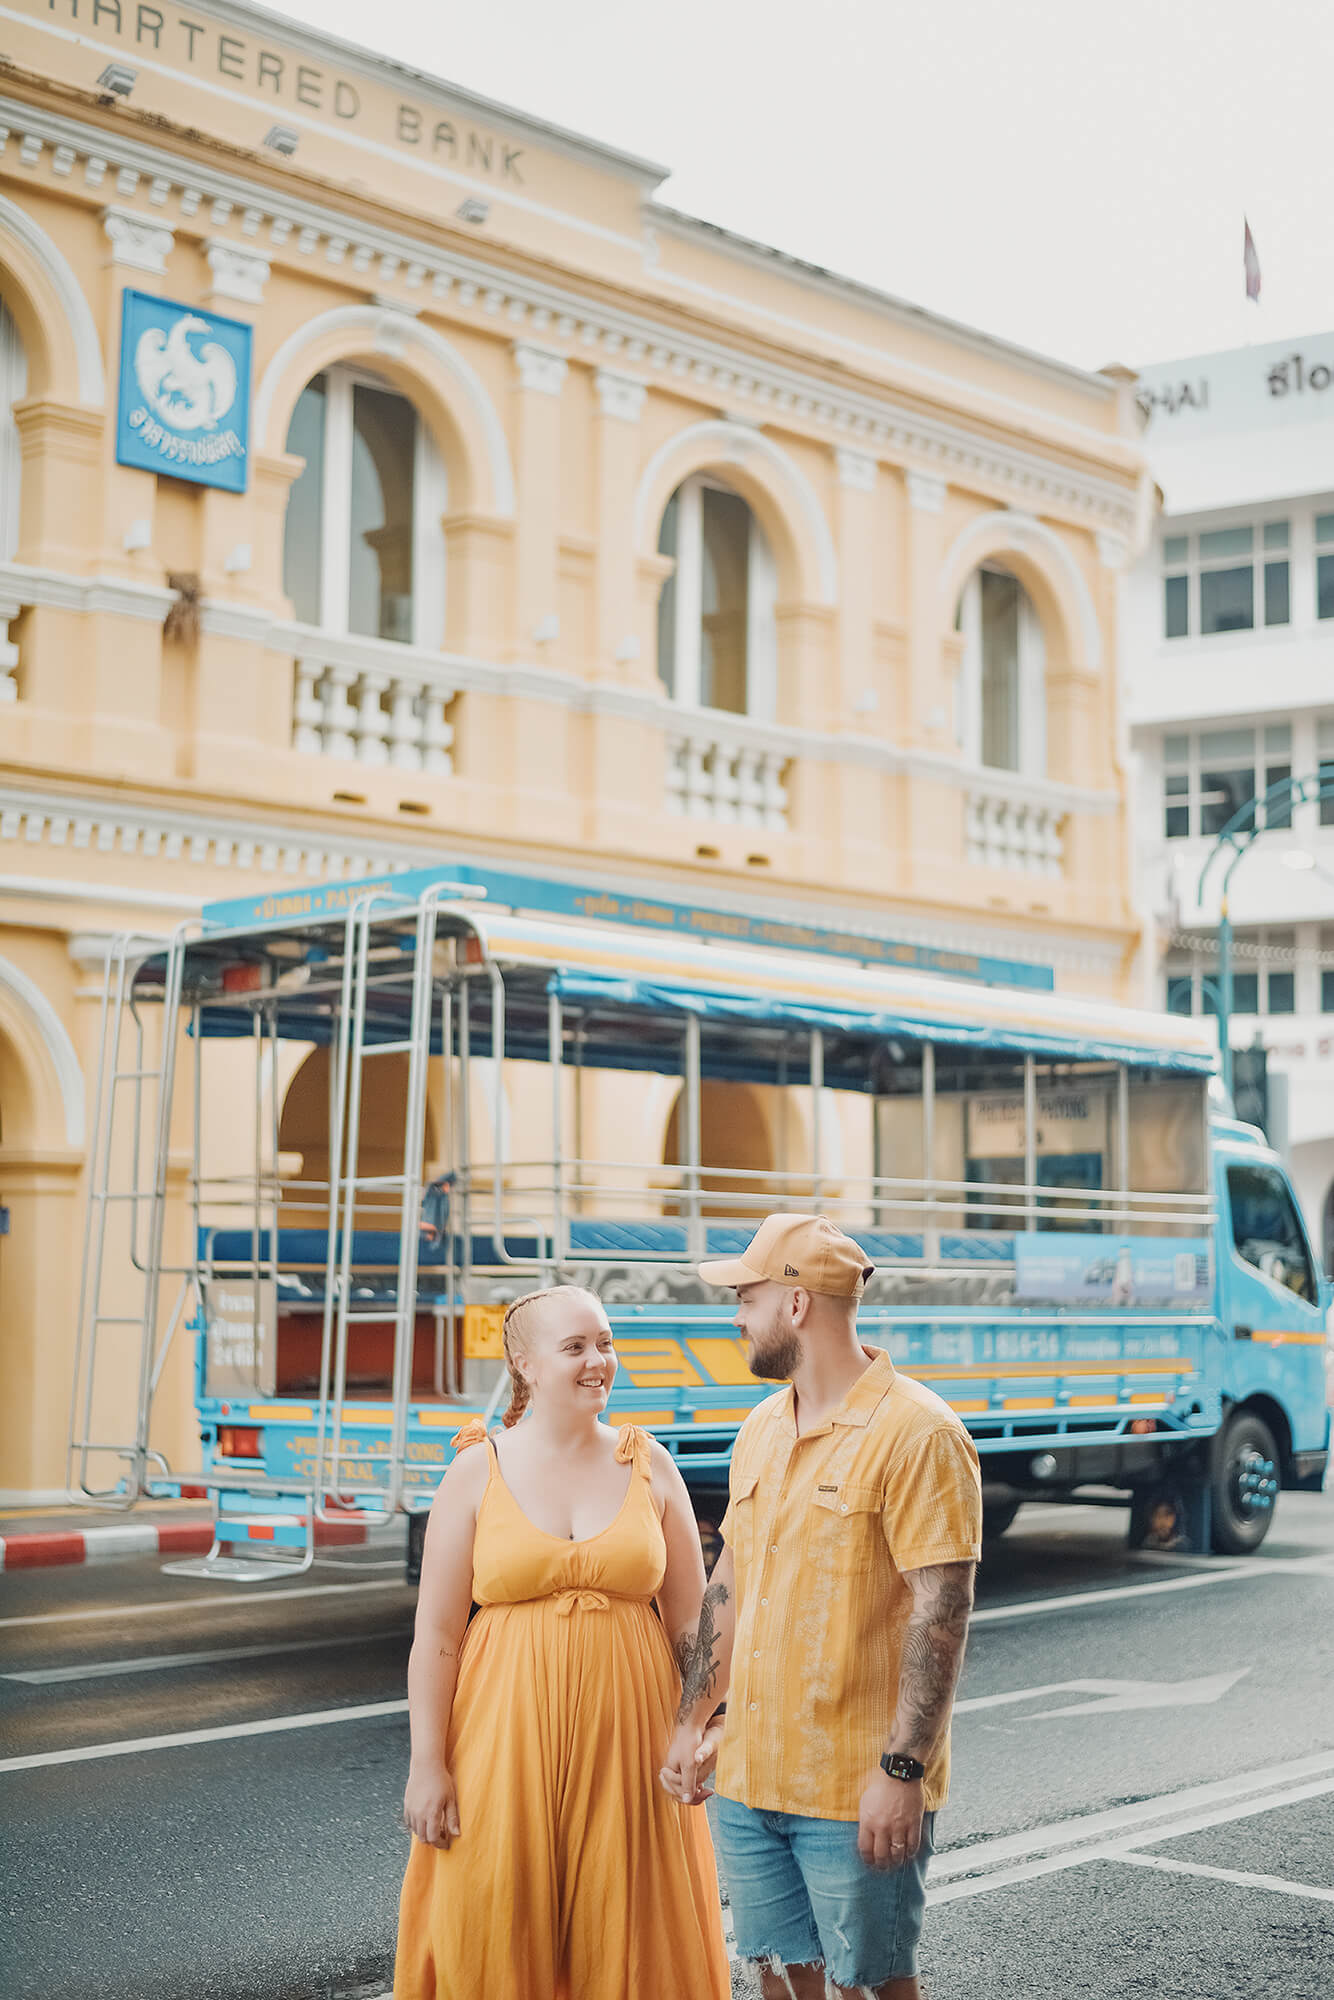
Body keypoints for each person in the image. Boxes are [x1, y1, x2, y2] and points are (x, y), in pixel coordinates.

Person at [662, 1214, 983, 2000]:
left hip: (853, 1787)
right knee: (776, 1978)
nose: (736, 1313)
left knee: (869, 1986)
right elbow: (729, 1583)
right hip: (747, 1776)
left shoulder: (919, 1433)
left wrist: (902, 1772)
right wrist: (691, 1718)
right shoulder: (761, 1429)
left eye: (746, 1294)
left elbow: (940, 1613)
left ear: (797, 1304)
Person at [394, 1283, 730, 2000]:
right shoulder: (474, 1470)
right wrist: (428, 1764)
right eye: (574, 1346)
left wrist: (700, 1725)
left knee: (629, 1922)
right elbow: (439, 1637)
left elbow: (693, 1625)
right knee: (494, 1911)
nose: (597, 1361)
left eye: (605, 1343)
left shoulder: (650, 1463)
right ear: (524, 1365)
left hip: (632, 1745)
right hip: (498, 1739)